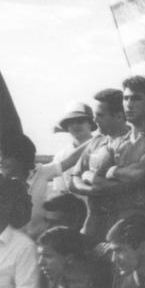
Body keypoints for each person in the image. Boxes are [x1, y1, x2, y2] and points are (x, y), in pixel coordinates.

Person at [71, 77, 145, 240]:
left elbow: (136, 177)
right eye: (126, 98)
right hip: (112, 222)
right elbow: (79, 178)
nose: (128, 104)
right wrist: (99, 182)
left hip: (144, 224)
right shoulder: (120, 141)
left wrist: (97, 177)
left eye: (135, 98)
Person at [23, 102, 97, 238]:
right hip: (71, 216)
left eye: (80, 121)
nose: (75, 125)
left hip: (98, 213)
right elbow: (61, 191)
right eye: (70, 122)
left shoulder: (103, 147)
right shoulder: (61, 155)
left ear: (91, 124)